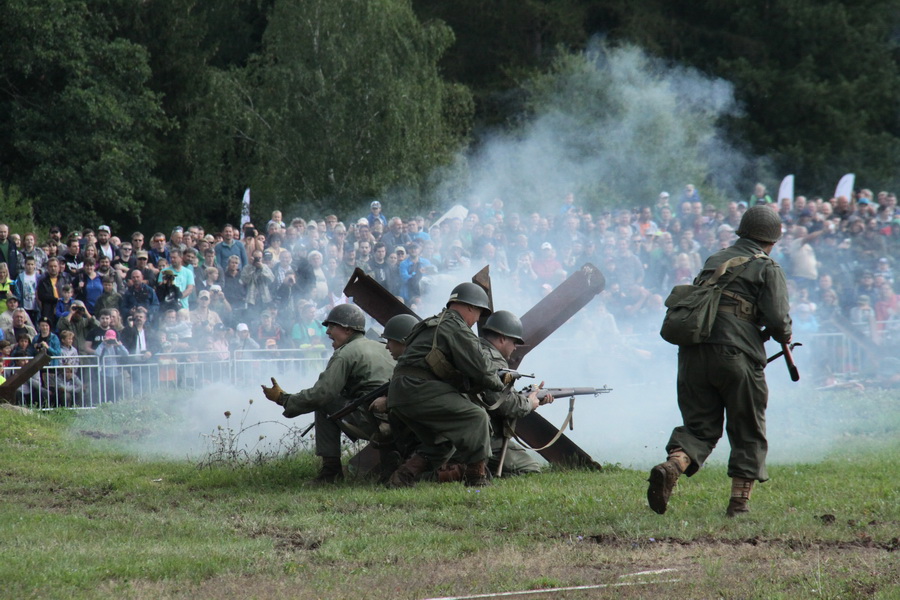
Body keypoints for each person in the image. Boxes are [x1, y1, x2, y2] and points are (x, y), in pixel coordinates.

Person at [647, 205, 792, 518]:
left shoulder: (715, 259)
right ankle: (739, 505)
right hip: (736, 354)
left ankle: (672, 466)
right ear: (772, 240)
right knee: (747, 428)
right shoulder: (768, 267)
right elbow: (779, 320)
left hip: (693, 352)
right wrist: (784, 334)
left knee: (699, 427)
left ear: (742, 231)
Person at [386, 282, 506, 487]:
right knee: (476, 417)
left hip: (399, 393)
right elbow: (483, 370)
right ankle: (477, 479)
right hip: (420, 389)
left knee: (442, 441)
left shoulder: (429, 323)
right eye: (478, 312)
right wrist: (501, 383)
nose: (477, 319)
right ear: (470, 307)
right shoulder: (456, 327)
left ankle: (402, 478)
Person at [261, 304, 396, 483]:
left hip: (374, 419)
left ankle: (330, 472)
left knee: (325, 404)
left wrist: (283, 399)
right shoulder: (383, 347)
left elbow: (322, 394)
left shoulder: (345, 353)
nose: (327, 332)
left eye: (332, 327)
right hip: (398, 420)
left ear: (348, 330)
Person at [479, 310, 553, 477]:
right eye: (514, 341)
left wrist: (532, 399)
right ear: (502, 338)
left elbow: (495, 396)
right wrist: (529, 403)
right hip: (483, 437)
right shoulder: (494, 360)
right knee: (530, 469)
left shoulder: (476, 350)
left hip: (469, 431)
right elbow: (504, 405)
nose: (515, 347)